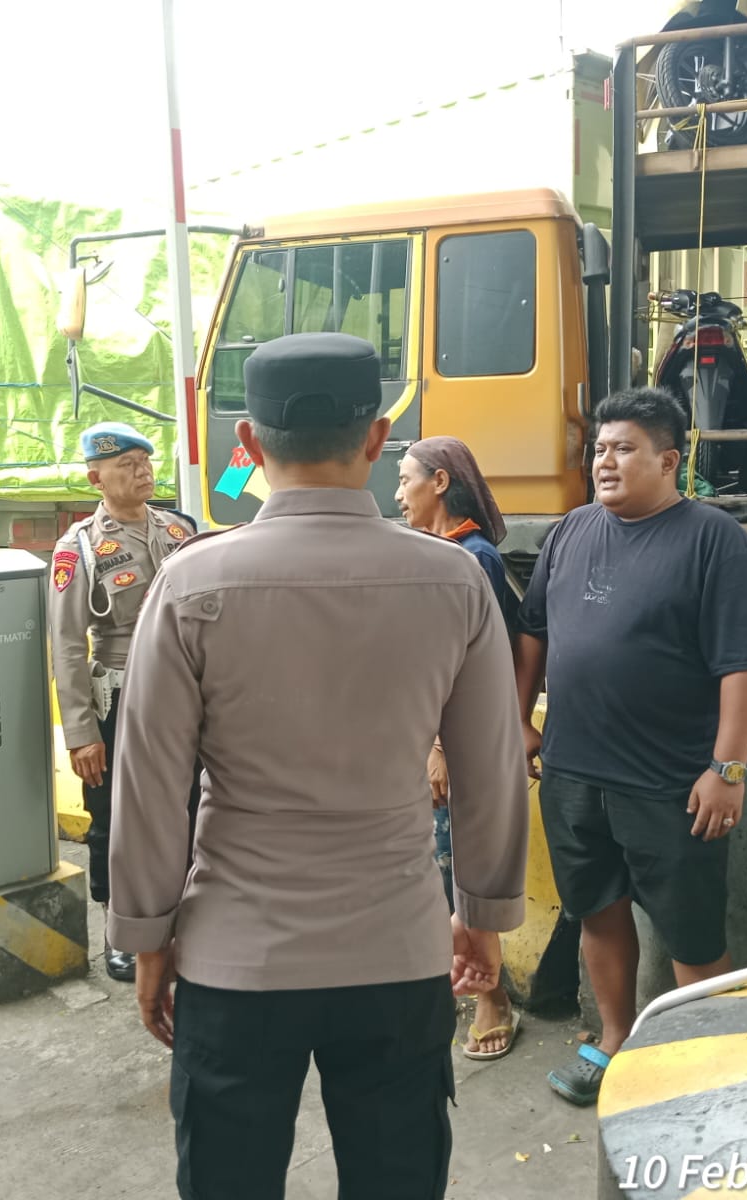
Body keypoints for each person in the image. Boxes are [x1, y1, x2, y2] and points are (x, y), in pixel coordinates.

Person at [107, 332, 530, 1199]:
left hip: (235, 957)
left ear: (250, 444)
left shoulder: (190, 584)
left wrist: (145, 939)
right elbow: (490, 770)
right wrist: (481, 916)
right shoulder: (455, 582)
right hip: (398, 949)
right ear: (376, 438)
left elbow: (149, 786)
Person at [516, 386, 747, 1107]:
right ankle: (614, 1040)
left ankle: (704, 1068)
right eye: (599, 448)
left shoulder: (714, 542)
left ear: (668, 461)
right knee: (597, 910)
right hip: (573, 773)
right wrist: (518, 720)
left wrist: (727, 769)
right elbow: (532, 632)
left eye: (623, 448)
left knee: (692, 932)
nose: (604, 461)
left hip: (670, 783)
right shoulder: (570, 532)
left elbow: (743, 666)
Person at [50, 420, 198, 982]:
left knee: (190, 806)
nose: (142, 473)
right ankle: (120, 929)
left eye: (145, 463)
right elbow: (67, 644)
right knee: (114, 819)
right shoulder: (80, 549)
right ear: (96, 479)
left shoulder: (180, 530)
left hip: (185, 694)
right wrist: (81, 732)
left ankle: (183, 918)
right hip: (120, 697)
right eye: (126, 466)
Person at [396, 436, 528, 1063]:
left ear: (441, 482)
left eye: (406, 479)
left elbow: (473, 672)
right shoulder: (428, 552)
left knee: (458, 868)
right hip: (417, 739)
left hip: (451, 745)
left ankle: (491, 998)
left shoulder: (475, 559)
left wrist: (440, 748)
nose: (399, 493)